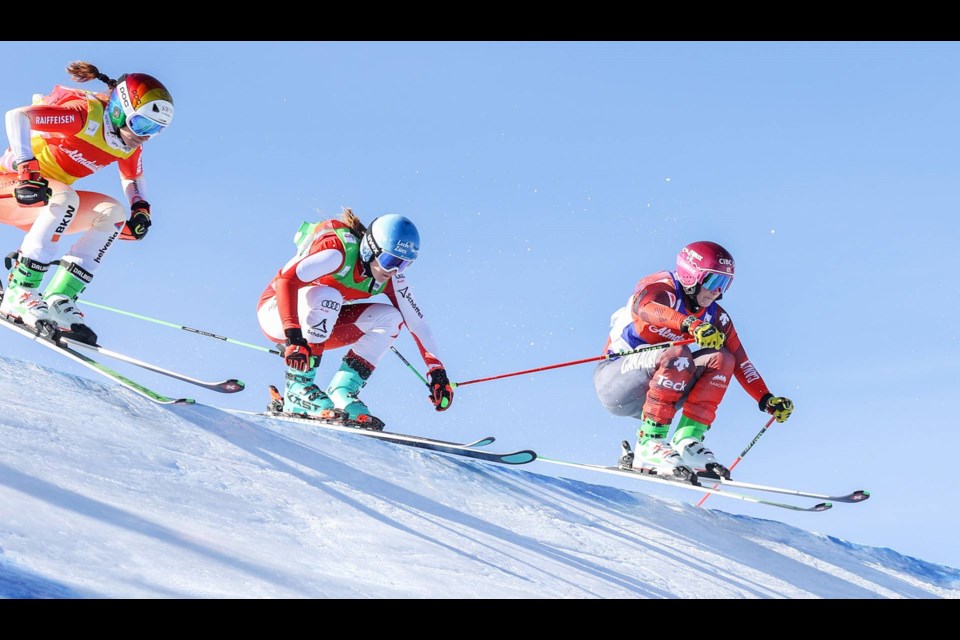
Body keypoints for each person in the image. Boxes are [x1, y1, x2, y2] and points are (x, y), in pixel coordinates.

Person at [0, 61, 174, 344]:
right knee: (65, 196)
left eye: (155, 129)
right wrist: (26, 168)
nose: (144, 135)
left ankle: (60, 297)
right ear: (118, 111)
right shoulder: (86, 116)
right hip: (11, 187)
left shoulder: (126, 142)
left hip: (50, 205)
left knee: (112, 214)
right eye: (141, 123)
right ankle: (20, 291)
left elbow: (133, 178)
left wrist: (139, 208)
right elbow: (17, 116)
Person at [593, 240, 794, 483]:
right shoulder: (663, 288)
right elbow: (645, 307)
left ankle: (687, 441)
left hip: (661, 391)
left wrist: (765, 398)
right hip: (616, 380)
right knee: (678, 355)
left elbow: (742, 362)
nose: (717, 291)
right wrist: (689, 324)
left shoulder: (715, 316)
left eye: (725, 284)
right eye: (713, 281)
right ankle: (649, 444)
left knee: (722, 359)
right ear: (691, 276)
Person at [257, 208, 455, 430]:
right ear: (371, 249)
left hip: (319, 324)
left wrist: (438, 373)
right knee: (328, 296)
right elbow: (286, 282)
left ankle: (342, 391)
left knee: (391, 318)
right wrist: (292, 335)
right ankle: (297, 388)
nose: (393, 270)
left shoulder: (392, 278)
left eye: (403, 264)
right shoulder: (338, 252)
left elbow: (418, 324)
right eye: (390, 260)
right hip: (278, 313)